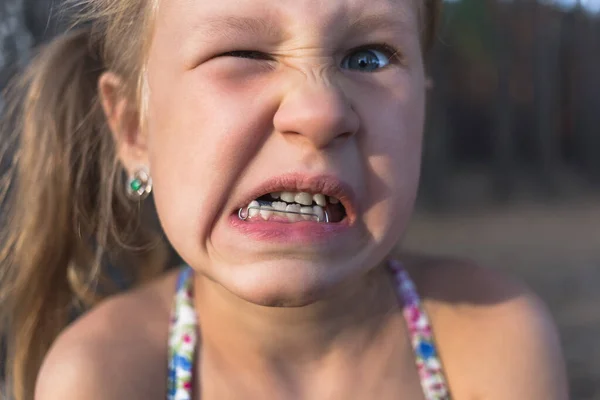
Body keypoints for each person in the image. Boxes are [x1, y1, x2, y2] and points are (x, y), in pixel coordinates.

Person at [0, 0, 569, 399]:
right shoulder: (101, 377)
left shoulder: (497, 340)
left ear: (421, 110)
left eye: (368, 57)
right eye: (243, 51)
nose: (319, 111)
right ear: (134, 131)